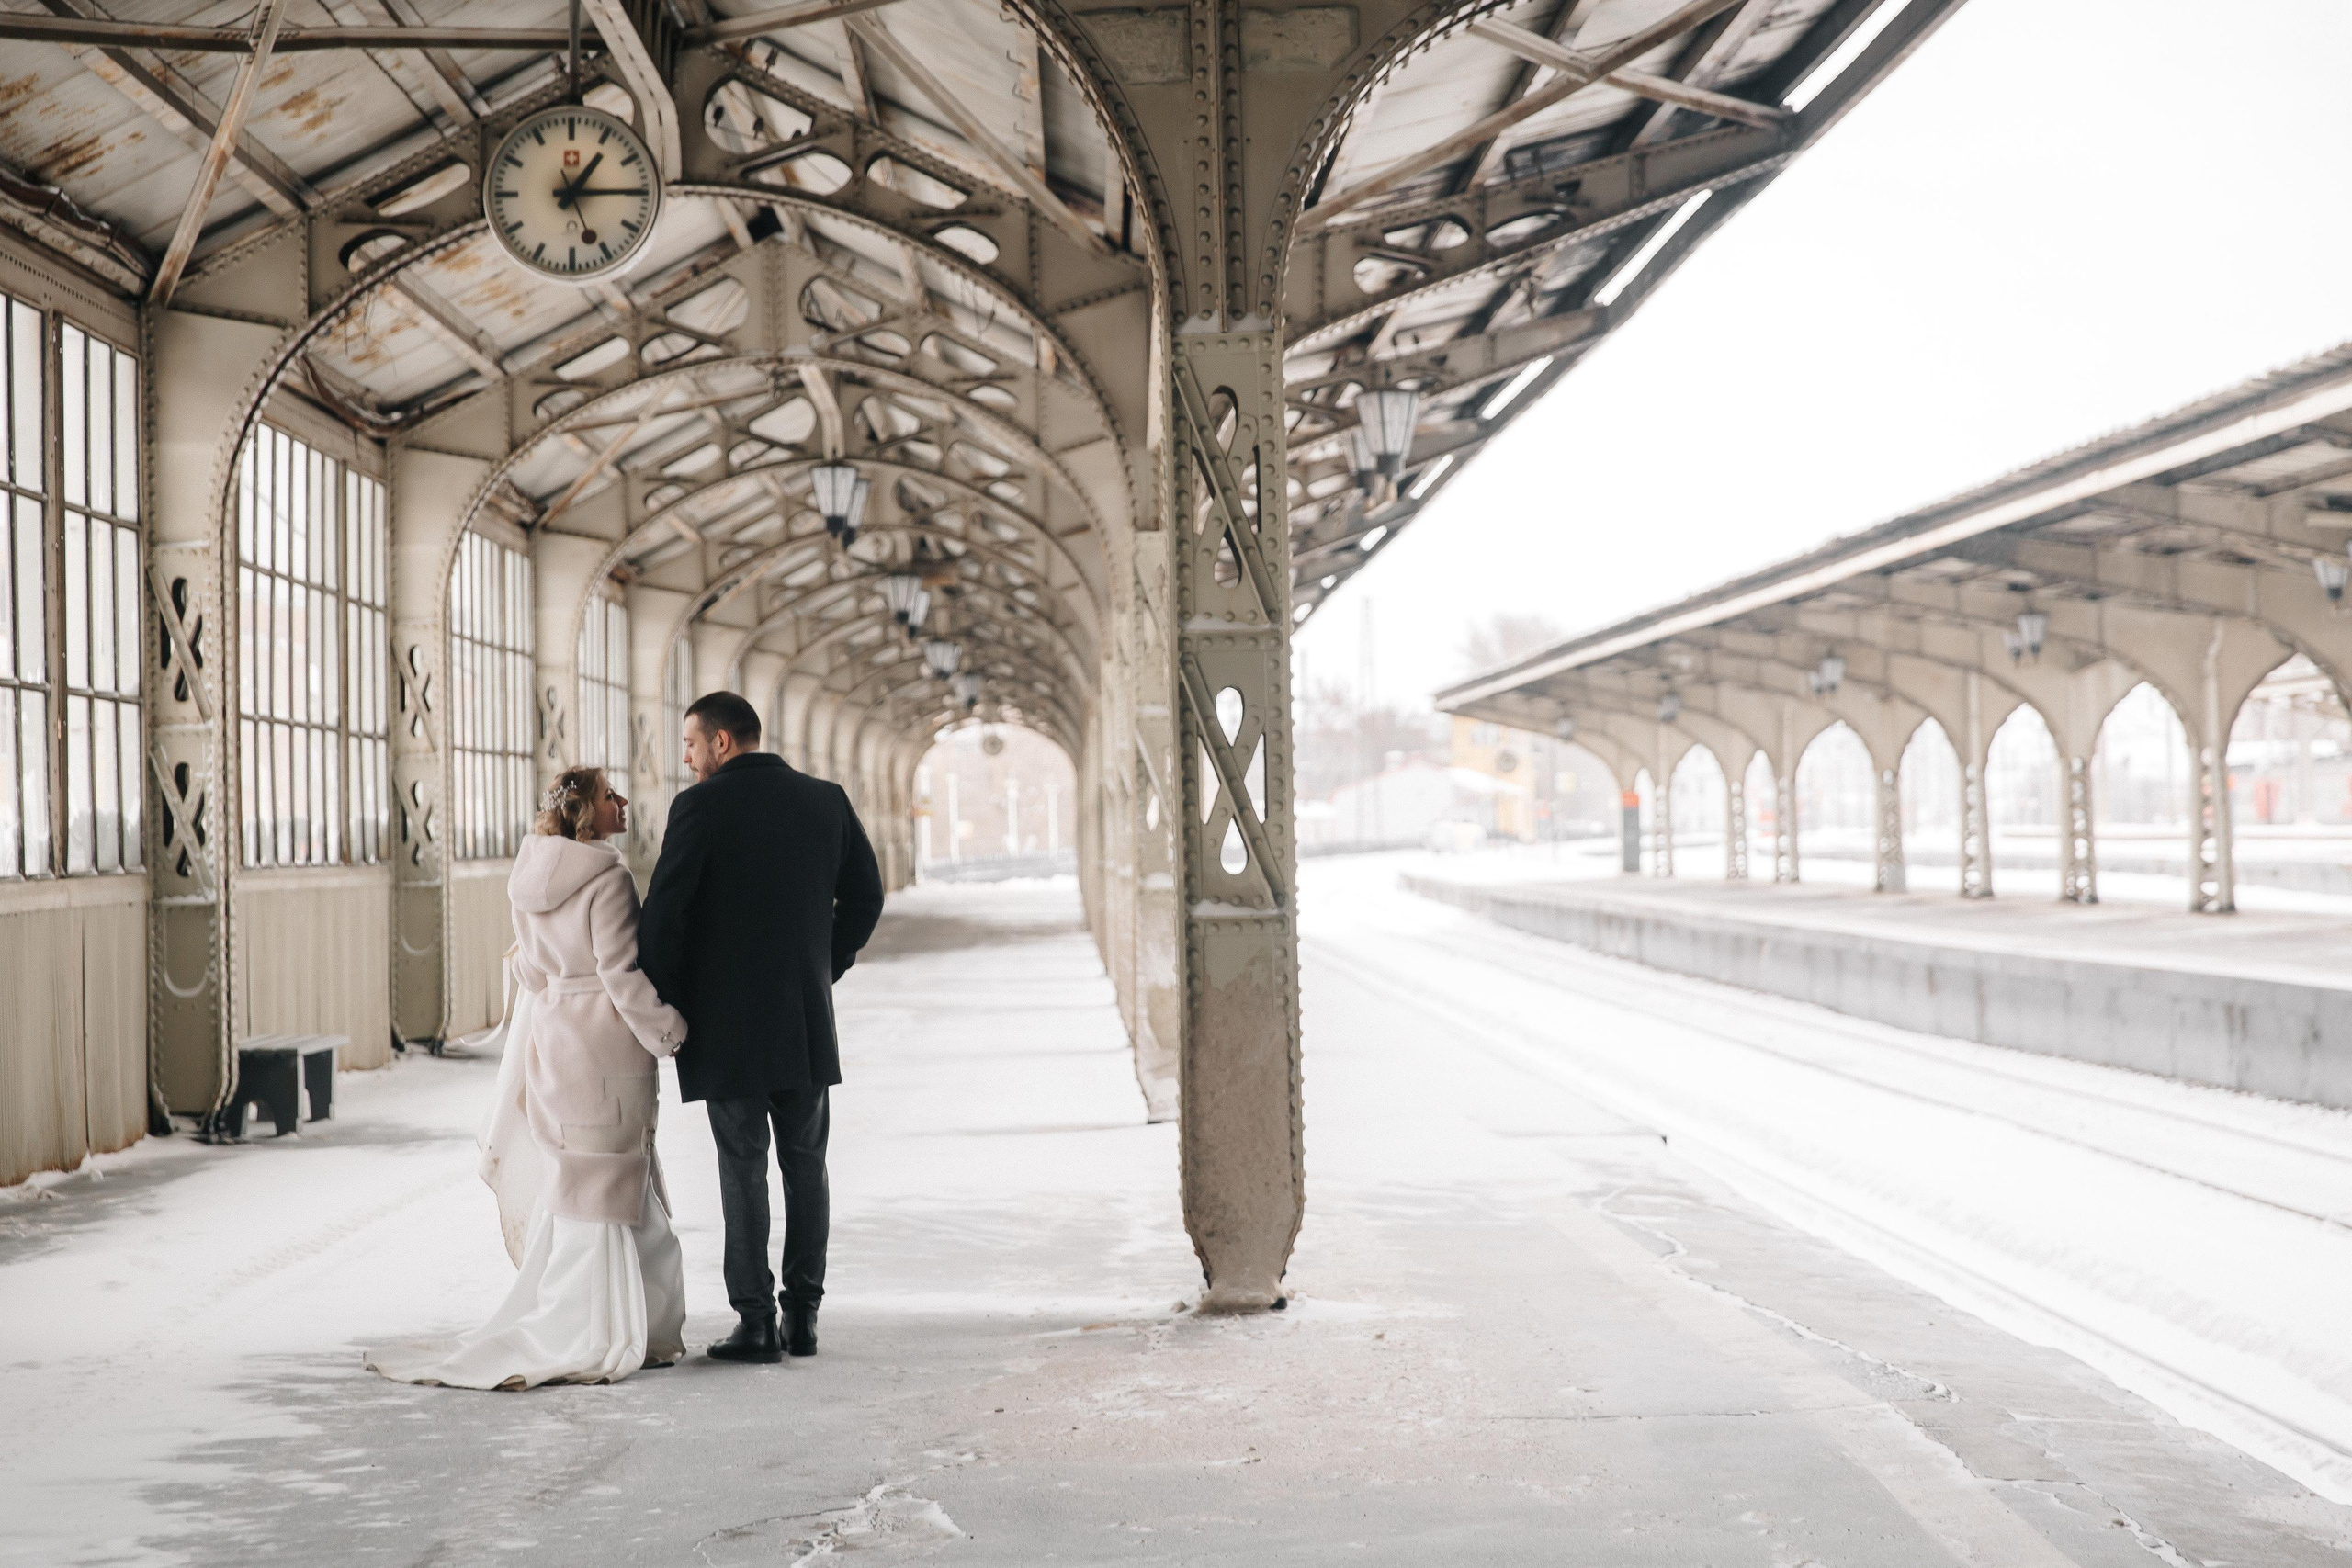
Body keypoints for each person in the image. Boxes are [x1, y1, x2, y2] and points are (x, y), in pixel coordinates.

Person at [366, 767, 688, 1390]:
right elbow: (621, 974)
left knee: (577, 1183)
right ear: (588, 814)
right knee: (616, 1182)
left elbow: (536, 973)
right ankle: (606, 1326)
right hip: (606, 1046)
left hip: (556, 1041)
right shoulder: (609, 879)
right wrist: (668, 1029)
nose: (621, 803)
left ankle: (601, 1319)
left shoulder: (528, 879)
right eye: (608, 797)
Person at [639, 692, 884, 1364]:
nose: (685, 758)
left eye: (690, 744)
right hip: (802, 1021)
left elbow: (663, 918)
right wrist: (821, 966)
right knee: (806, 1165)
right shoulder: (825, 799)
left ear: (721, 742)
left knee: (742, 1167)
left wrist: (675, 999)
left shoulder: (698, 808)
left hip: (727, 1026)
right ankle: (802, 1316)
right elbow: (867, 895)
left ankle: (754, 1318)